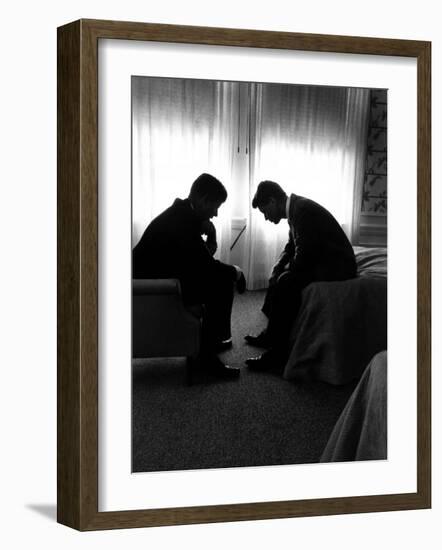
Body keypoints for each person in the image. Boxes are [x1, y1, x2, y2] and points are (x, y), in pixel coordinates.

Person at [133, 173, 246, 378]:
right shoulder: (183, 222)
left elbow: (198, 260)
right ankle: (206, 362)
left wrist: (210, 237)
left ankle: (211, 343)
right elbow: (206, 266)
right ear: (203, 201)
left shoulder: (183, 214)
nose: (216, 214)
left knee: (218, 278)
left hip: (162, 278)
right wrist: (236, 272)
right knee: (221, 282)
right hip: (153, 288)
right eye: (215, 207)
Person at [245, 180, 357, 372]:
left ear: (272, 201)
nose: (265, 218)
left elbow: (305, 255)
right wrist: (277, 266)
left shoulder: (302, 211)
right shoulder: (296, 209)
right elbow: (292, 246)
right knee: (280, 275)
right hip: (323, 257)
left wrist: (285, 272)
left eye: (264, 212)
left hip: (338, 265)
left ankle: (278, 356)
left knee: (286, 282)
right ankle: (271, 335)